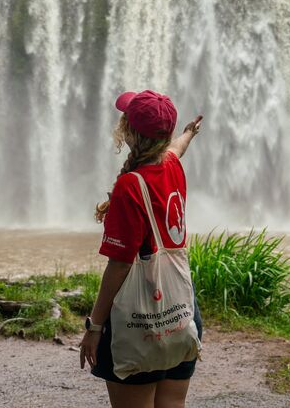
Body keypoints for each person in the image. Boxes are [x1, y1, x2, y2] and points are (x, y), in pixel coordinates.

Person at [80, 89, 204, 408]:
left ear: (130, 130)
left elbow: (120, 265)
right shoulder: (173, 165)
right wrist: (189, 133)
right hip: (182, 313)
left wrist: (94, 326)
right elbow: (178, 148)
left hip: (140, 319)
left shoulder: (129, 186)